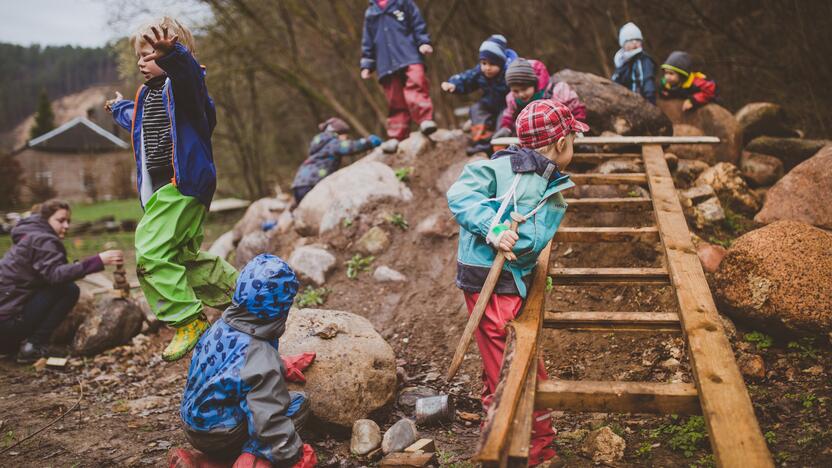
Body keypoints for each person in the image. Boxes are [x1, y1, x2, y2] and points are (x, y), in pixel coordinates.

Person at [446, 99, 587, 466]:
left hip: (512, 277)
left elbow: (531, 236)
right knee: (515, 362)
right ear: (560, 143)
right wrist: (492, 226)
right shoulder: (500, 169)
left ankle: (501, 419)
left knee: (505, 355)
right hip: (489, 280)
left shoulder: (542, 177)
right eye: (573, 137)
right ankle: (528, 447)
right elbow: (460, 195)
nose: (574, 144)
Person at [105, 17, 239, 362]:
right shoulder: (150, 95)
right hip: (164, 190)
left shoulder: (188, 88)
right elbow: (139, 123)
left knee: (149, 252)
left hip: (182, 185)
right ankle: (241, 293)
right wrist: (119, 108)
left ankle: (188, 319)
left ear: (176, 53)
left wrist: (175, 56)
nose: (141, 62)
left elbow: (189, 79)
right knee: (181, 259)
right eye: (140, 56)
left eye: (150, 55)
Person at [169, 254, 316, 468]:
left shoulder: (220, 328)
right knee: (298, 403)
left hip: (193, 424)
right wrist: (293, 457)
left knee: (243, 401)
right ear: (282, 309)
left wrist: (279, 364)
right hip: (221, 435)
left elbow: (230, 370)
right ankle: (253, 459)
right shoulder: (259, 355)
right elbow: (268, 418)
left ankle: (202, 461)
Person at [0, 200, 123, 363]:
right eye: (60, 220)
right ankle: (32, 346)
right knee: (68, 290)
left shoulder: (31, 235)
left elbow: (48, 274)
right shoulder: (43, 240)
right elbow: (55, 275)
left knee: (57, 287)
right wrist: (97, 261)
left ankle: (22, 344)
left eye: (68, 221)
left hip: (5, 327)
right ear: (45, 219)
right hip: (6, 328)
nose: (66, 226)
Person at [360, 0, 438, 154]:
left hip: (409, 54)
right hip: (385, 62)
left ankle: (425, 120)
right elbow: (368, 40)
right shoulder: (371, 12)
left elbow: (417, 23)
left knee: (416, 83)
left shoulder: (403, 3)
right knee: (395, 100)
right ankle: (397, 135)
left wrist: (423, 42)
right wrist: (367, 64)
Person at [441, 34, 516, 156]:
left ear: (501, 63)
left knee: (504, 118)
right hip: (489, 103)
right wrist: (453, 84)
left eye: (492, 64)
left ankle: (500, 145)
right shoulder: (480, 72)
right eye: (484, 63)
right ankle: (482, 141)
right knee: (476, 109)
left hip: (506, 105)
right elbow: (467, 78)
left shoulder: (509, 72)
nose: (487, 68)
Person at [291, 117, 382, 204]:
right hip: (313, 183)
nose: (347, 138)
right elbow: (350, 147)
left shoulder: (320, 146)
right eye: (345, 135)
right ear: (337, 133)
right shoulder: (332, 143)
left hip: (298, 184)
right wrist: (368, 142)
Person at [494, 58, 586, 138]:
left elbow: (575, 109)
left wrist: (576, 127)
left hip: (560, 131)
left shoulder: (556, 91)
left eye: (524, 89)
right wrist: (506, 128)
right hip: (531, 136)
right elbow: (509, 115)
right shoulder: (512, 99)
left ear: (535, 84)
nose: (521, 94)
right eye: (516, 91)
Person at [611, 22, 657, 104]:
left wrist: (650, 97)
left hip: (641, 99)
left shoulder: (644, 60)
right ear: (623, 44)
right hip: (624, 99)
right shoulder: (621, 61)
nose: (635, 42)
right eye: (631, 40)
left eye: (638, 40)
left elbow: (648, 79)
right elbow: (616, 81)